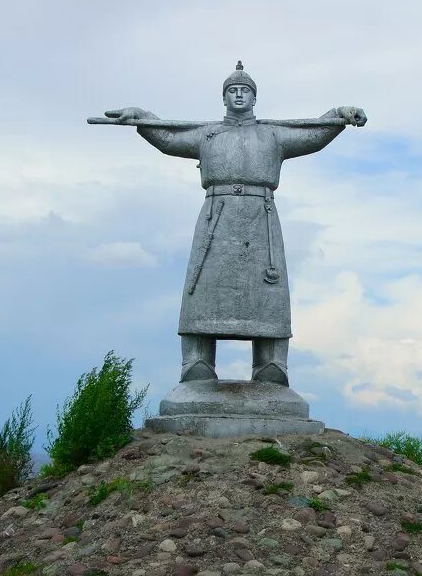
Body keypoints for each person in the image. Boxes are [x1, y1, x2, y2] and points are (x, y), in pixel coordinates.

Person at [105, 62, 366, 386]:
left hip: (261, 219)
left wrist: (340, 113)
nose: (239, 95)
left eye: (245, 91)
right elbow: (169, 138)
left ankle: (272, 365)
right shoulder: (208, 134)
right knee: (203, 288)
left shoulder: (272, 134)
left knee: (267, 294)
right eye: (233, 91)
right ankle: (196, 361)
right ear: (224, 98)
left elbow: (313, 134)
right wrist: (141, 118)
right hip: (217, 215)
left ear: (254, 98)